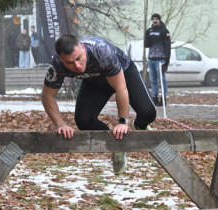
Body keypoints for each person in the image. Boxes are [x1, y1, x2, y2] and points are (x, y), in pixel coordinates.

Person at [41, 34, 157, 175]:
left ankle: (139, 125)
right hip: (95, 82)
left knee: (148, 113)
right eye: (70, 63)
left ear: (83, 48)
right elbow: (47, 96)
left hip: (123, 74)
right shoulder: (57, 65)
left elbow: (120, 88)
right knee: (84, 121)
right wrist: (60, 124)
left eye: (79, 58)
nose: (77, 66)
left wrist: (123, 121)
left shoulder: (101, 51)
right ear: (61, 60)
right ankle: (116, 145)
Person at [143, 13, 171, 105]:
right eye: (153, 19)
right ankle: (155, 98)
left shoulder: (164, 31)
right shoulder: (149, 31)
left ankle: (163, 99)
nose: (155, 21)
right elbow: (146, 44)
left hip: (161, 59)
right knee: (153, 80)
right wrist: (147, 37)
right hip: (151, 59)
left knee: (162, 80)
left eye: (156, 19)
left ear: (159, 20)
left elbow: (168, 47)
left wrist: (166, 62)